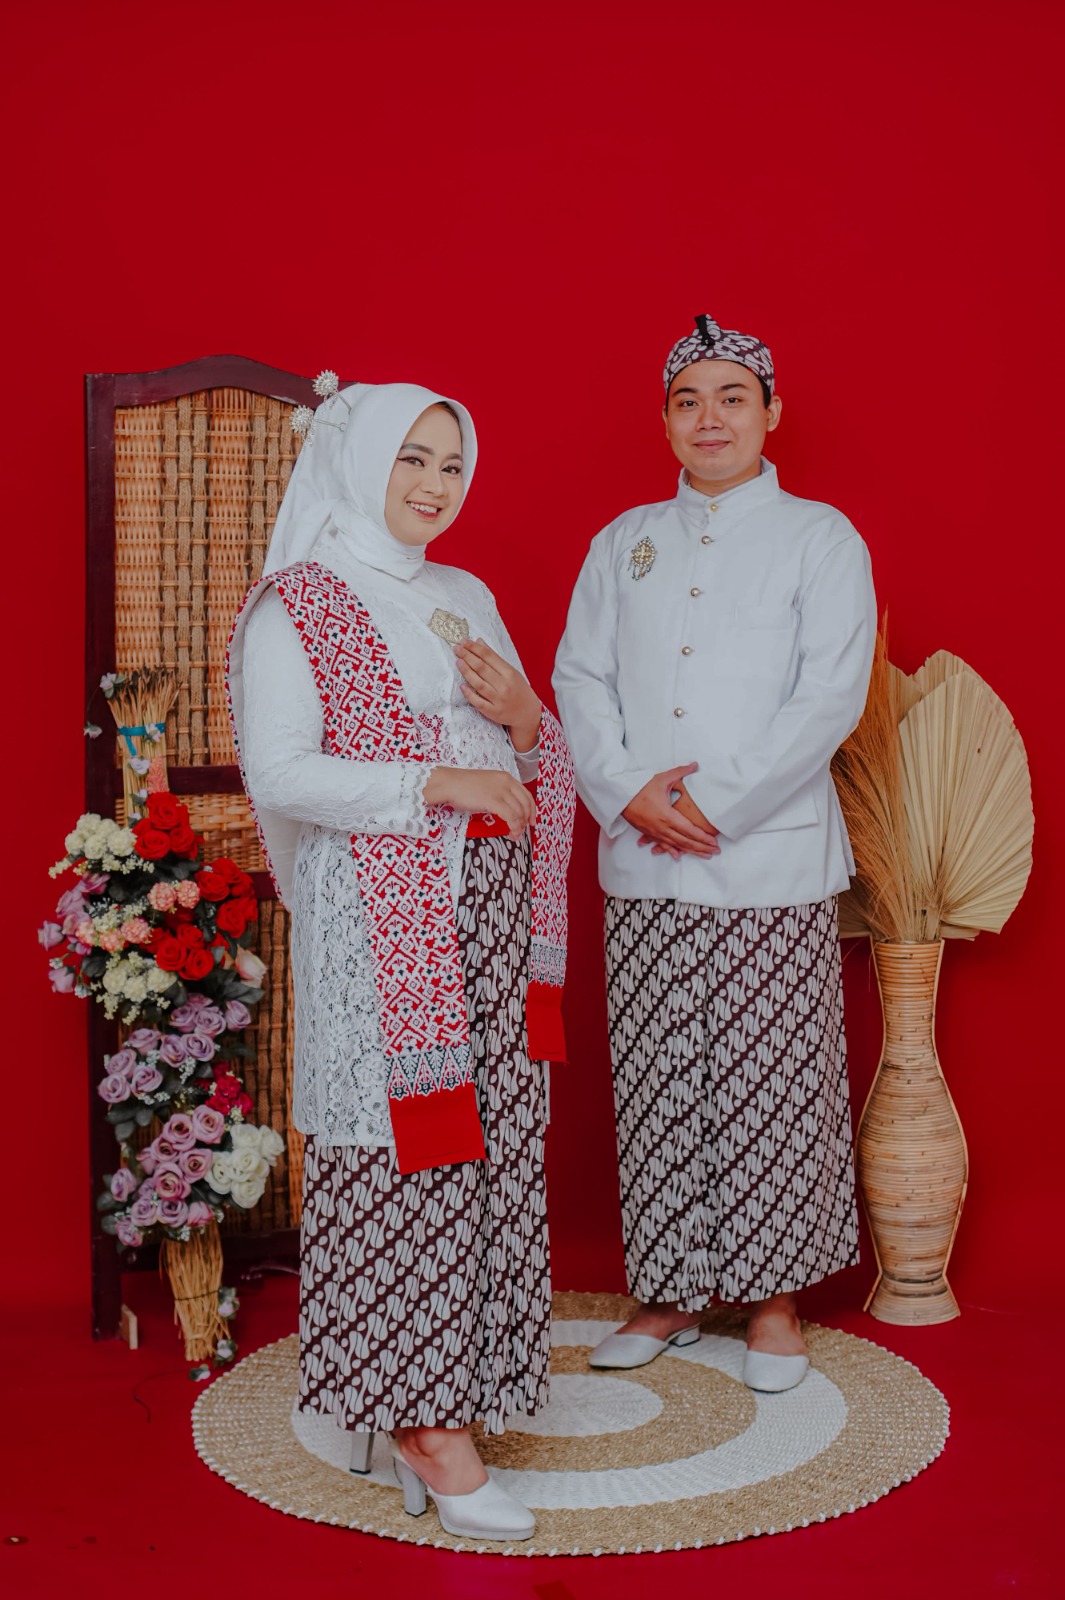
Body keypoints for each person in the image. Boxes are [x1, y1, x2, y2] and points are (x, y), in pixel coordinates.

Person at [227, 375, 574, 1540]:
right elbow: (282, 773)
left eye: (452, 463)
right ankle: (423, 1423)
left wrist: (522, 719)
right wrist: (437, 780)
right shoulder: (300, 602)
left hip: (488, 922)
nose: (434, 485)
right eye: (411, 459)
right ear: (356, 458)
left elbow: (527, 748)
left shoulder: (466, 594)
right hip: (387, 932)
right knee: (405, 1153)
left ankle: (458, 1385)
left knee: (481, 1150)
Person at [552, 315, 875, 1391]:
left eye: (732, 397)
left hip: (767, 859)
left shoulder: (820, 538)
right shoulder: (623, 541)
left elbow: (828, 696)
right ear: (664, 422)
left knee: (771, 1082)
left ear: (771, 413)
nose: (710, 418)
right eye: (688, 401)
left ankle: (774, 1301)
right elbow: (580, 679)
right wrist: (623, 790)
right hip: (644, 858)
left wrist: (712, 803)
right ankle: (671, 1289)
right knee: (658, 1080)